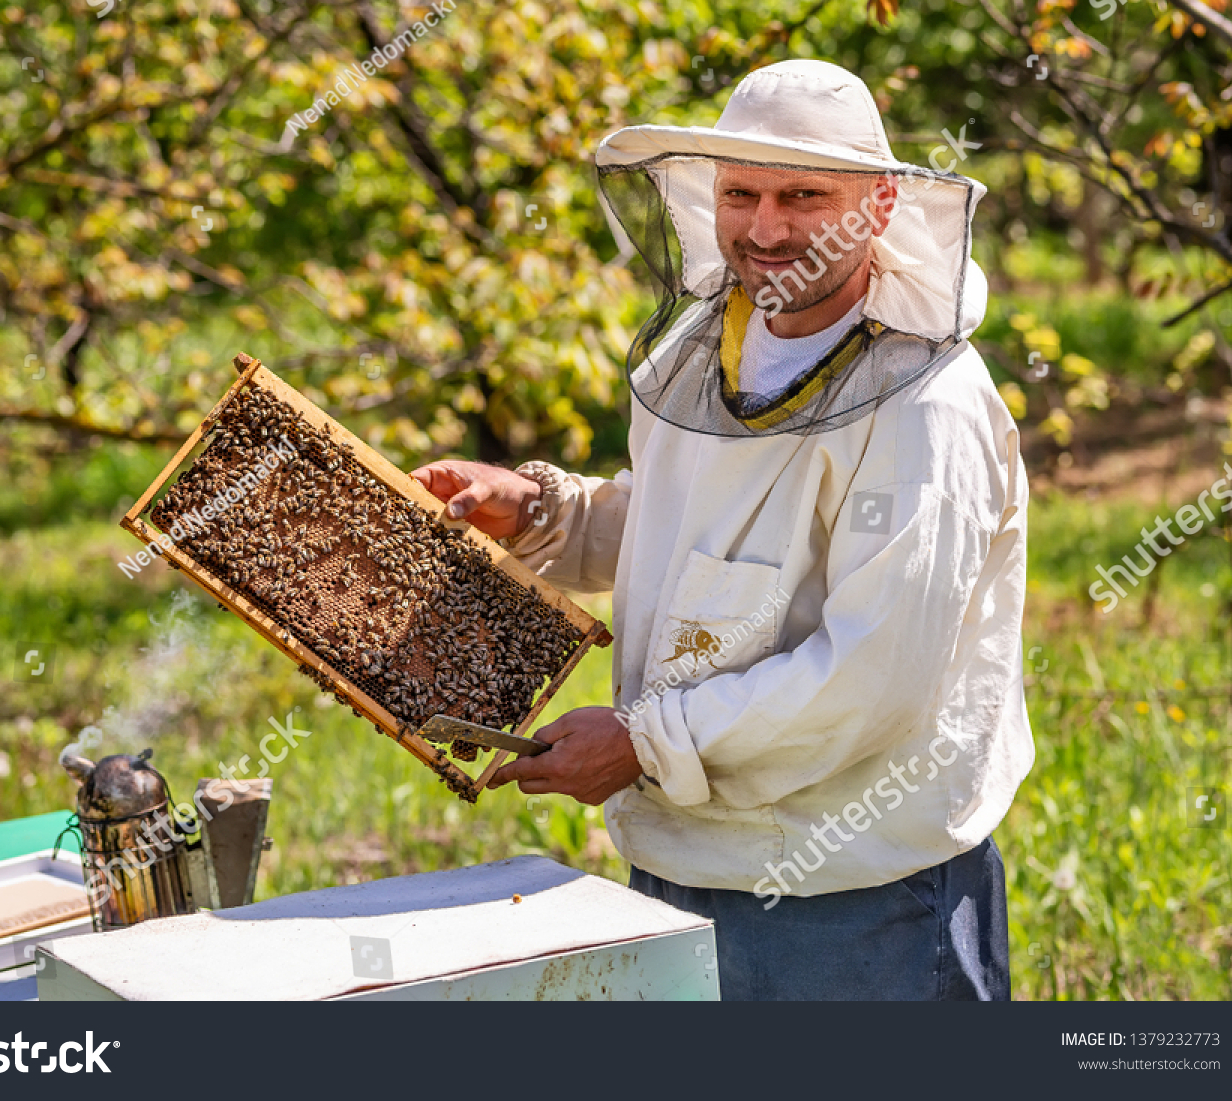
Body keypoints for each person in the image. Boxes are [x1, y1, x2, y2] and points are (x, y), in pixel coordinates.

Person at [412, 60, 1033, 1000]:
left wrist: (642, 743)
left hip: (858, 898)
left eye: (803, 196)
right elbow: (695, 532)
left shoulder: (925, 407)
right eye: (740, 192)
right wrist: (548, 512)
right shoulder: (704, 349)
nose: (766, 226)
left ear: (877, 206)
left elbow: (874, 677)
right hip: (682, 862)